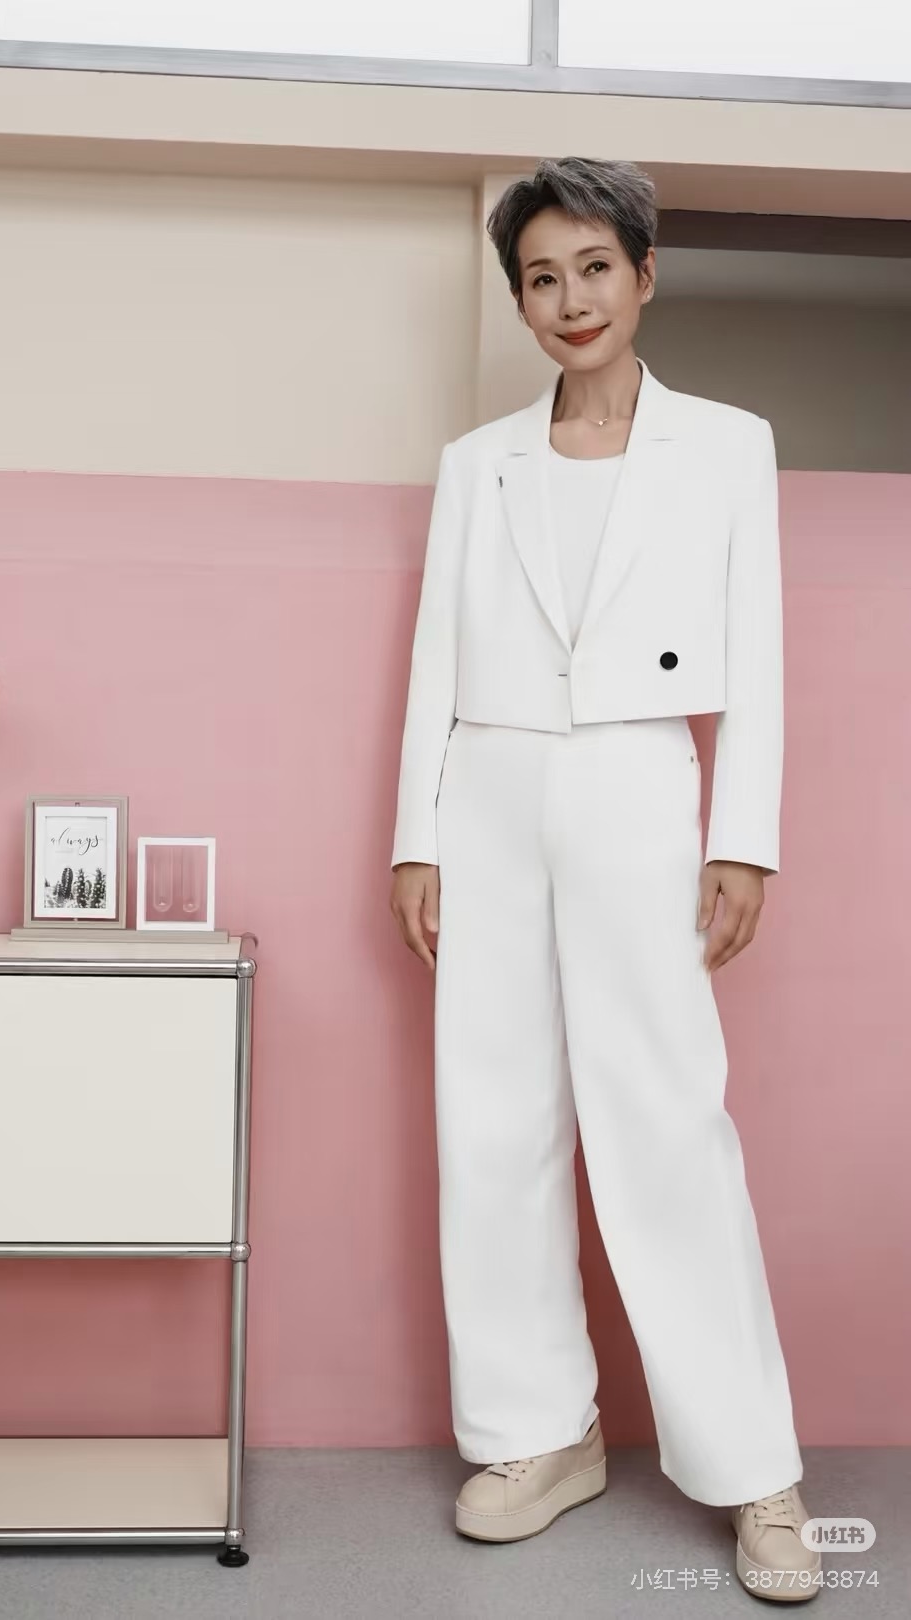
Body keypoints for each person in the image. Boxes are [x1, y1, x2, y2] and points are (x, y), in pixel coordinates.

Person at [388, 157, 822, 1604]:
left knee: (667, 1123)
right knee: (492, 1122)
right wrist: (415, 836)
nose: (570, 299)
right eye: (541, 277)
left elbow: (757, 650)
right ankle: (537, 1432)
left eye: (593, 268)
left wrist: (742, 835)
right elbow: (437, 658)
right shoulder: (479, 464)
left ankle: (756, 1470)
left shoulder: (729, 446)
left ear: (644, 273)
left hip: (642, 782)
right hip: (492, 789)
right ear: (520, 300)